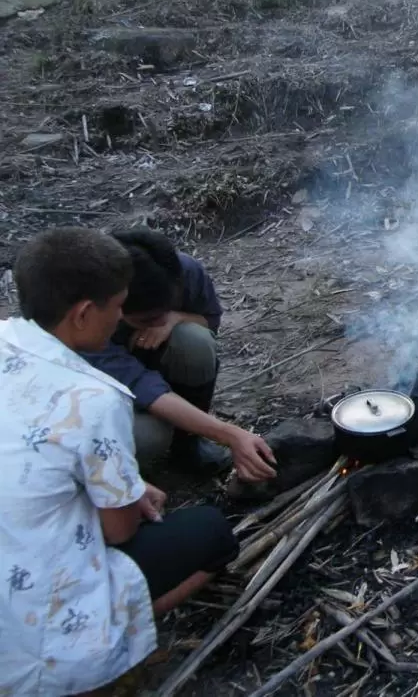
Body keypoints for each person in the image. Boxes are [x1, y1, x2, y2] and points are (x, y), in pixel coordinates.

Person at [0, 227, 239, 696]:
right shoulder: (93, 398)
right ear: (86, 312)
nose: (121, 322)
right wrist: (128, 492)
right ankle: (106, 643)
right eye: (117, 308)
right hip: (34, 636)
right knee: (213, 534)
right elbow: (120, 531)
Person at [79, 227, 277, 483]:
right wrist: (229, 434)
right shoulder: (90, 318)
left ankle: (188, 445)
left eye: (167, 308)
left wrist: (176, 319)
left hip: (148, 373)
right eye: (147, 318)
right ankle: (111, 475)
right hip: (101, 395)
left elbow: (210, 320)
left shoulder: (183, 270)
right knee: (153, 434)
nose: (158, 322)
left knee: (195, 340)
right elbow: (143, 386)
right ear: (117, 306)